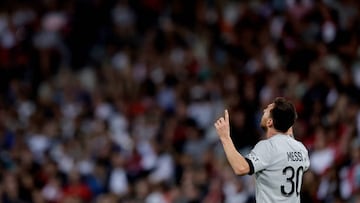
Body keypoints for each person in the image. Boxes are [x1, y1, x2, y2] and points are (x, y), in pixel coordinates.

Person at [214, 97, 310, 203]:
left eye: (267, 111)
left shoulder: (268, 146)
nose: (263, 111)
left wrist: (225, 137)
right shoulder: (301, 149)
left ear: (269, 122)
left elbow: (240, 168)